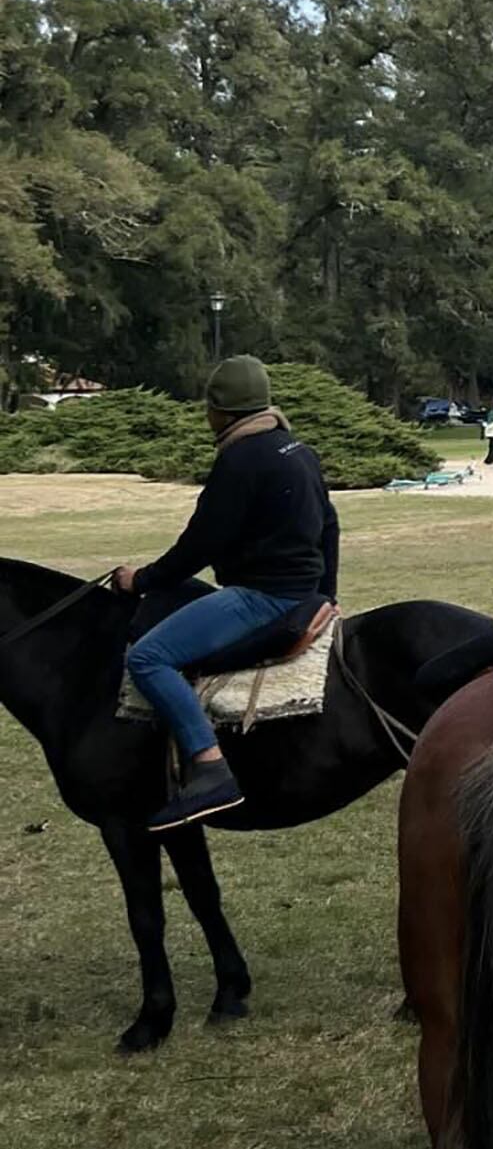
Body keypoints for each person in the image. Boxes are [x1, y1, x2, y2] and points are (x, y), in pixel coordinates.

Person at [114, 356, 340, 833]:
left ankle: (210, 767)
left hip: (259, 597)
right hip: (299, 592)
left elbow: (199, 544)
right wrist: (325, 596)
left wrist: (141, 580)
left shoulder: (240, 459)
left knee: (149, 658)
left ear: (220, 410)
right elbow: (331, 526)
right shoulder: (297, 449)